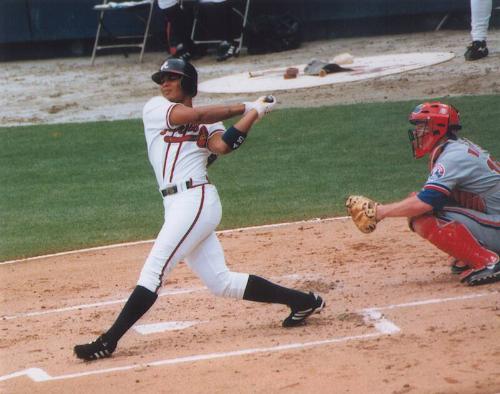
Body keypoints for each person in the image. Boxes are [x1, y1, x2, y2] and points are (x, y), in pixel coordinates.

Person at [73, 58, 325, 361]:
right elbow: (197, 113)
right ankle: (303, 301)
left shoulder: (209, 123)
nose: (164, 83)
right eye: (161, 78)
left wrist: (255, 113)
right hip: (176, 204)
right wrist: (245, 105)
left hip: (195, 200)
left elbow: (223, 147)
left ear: (188, 83)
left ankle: (108, 341)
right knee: (221, 282)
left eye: (171, 78)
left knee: (154, 271)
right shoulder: (155, 108)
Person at [347, 102, 500, 286]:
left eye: (422, 126)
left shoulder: (453, 157)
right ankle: (471, 254)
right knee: (419, 202)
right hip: (494, 219)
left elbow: (425, 203)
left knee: (419, 214)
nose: (418, 132)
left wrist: (379, 212)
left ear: (438, 128)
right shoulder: (456, 149)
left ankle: (487, 261)